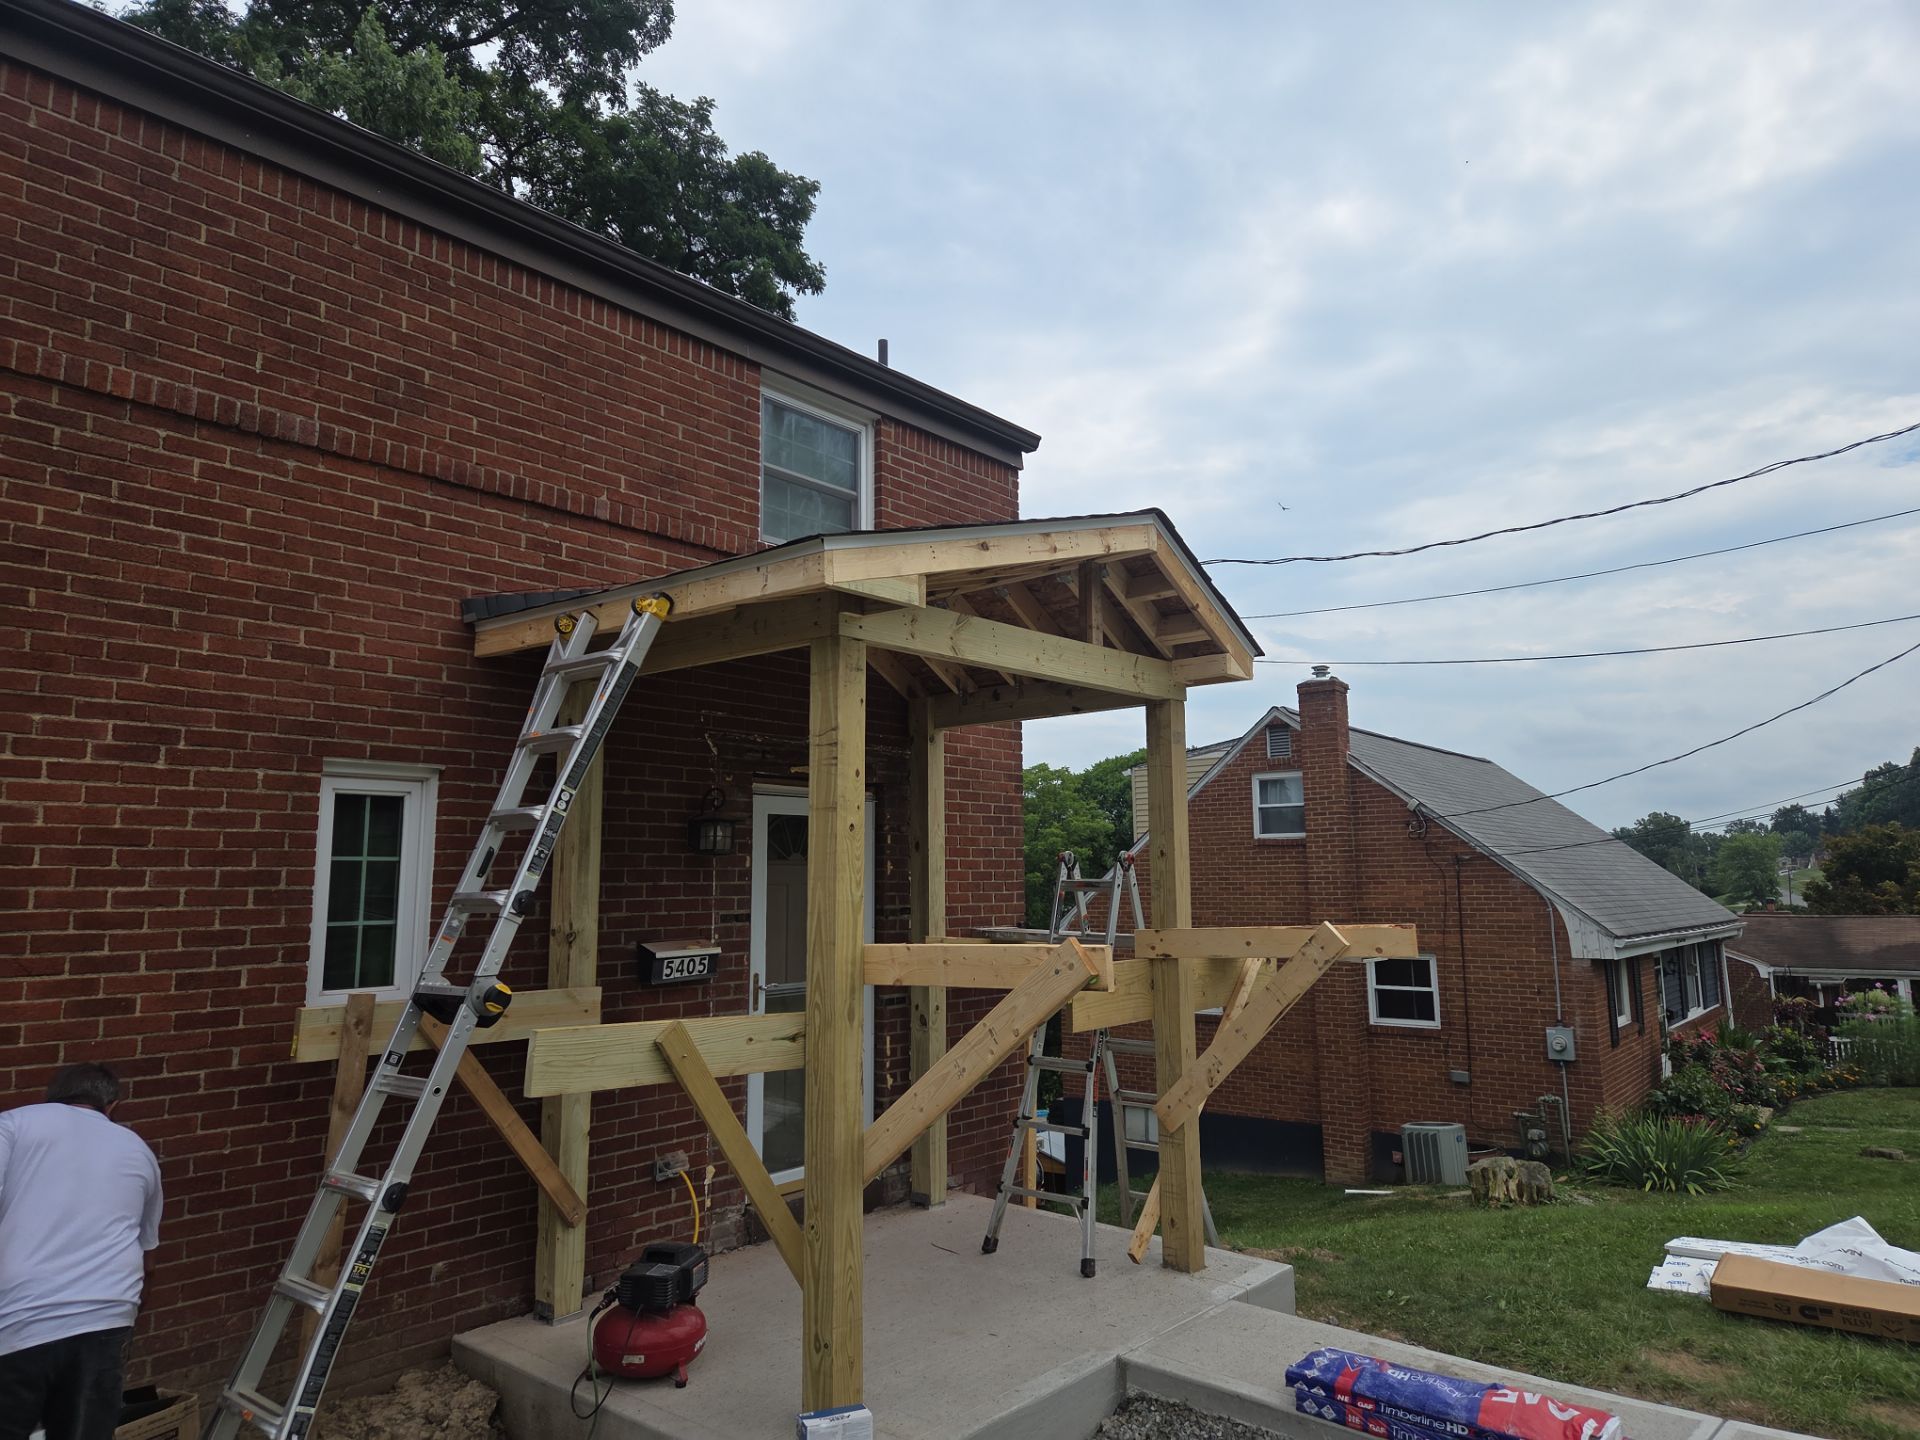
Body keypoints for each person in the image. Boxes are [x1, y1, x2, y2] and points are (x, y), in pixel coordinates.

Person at [0, 1063, 164, 1440]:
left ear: (50, 1098)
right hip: (107, 1314)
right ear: (113, 1106)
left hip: (21, 1316)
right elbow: (149, 1263)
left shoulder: (14, 1125)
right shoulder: (139, 1150)